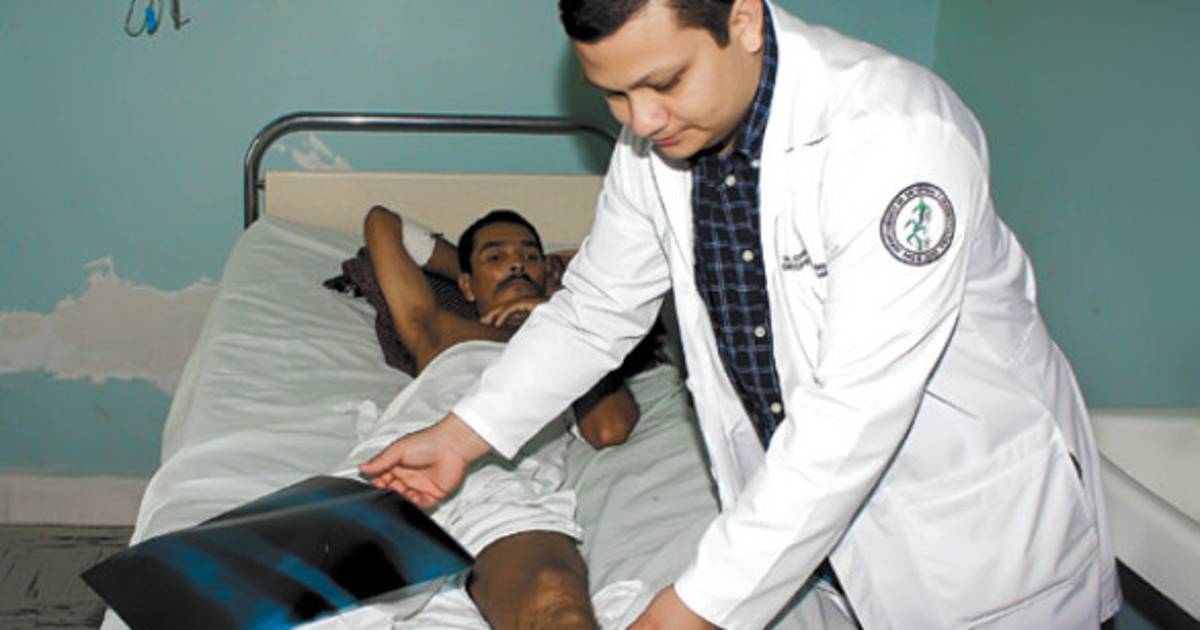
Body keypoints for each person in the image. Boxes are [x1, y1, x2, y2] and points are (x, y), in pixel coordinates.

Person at [361, 1, 1122, 628]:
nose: (642, 119)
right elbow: (594, 310)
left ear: (745, 20)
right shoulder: (654, 146)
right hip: (817, 537)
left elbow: (856, 411)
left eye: (664, 81)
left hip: (969, 538)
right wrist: (460, 436)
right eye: (614, 94)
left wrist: (695, 607)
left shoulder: (895, 139)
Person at [359, 205, 640, 630]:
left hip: (506, 485)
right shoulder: (440, 328)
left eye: (530, 256)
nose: (516, 264)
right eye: (496, 256)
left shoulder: (571, 348)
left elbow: (610, 428)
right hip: (403, 468)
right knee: (293, 607)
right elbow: (383, 223)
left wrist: (560, 317)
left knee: (558, 606)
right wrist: (472, 269)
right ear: (466, 285)